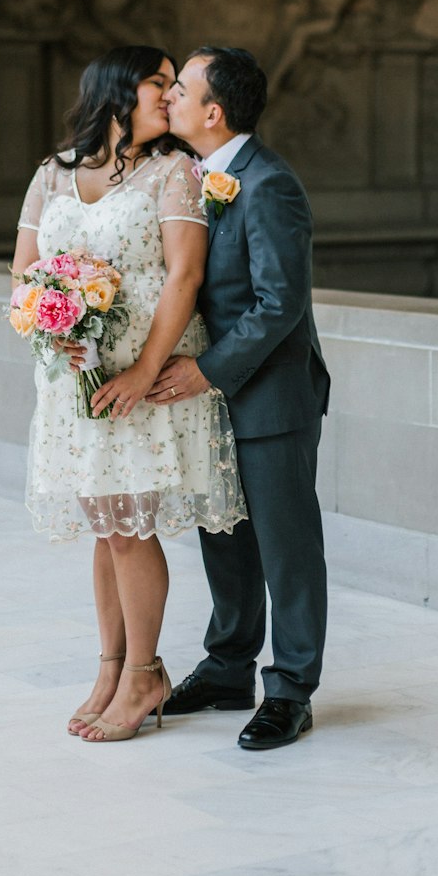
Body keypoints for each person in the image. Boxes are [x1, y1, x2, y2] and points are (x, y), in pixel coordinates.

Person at [12, 45, 247, 744]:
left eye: (177, 86)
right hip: (74, 381)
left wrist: (144, 371)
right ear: (117, 92)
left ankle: (146, 672)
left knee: (131, 526)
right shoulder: (51, 174)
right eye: (159, 83)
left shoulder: (174, 172)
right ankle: (112, 667)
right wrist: (53, 329)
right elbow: (25, 274)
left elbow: (184, 278)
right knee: (105, 523)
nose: (170, 96)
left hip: (144, 381)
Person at [147, 46, 330, 751]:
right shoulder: (191, 177)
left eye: (181, 90)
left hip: (269, 396)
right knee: (222, 538)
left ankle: (290, 691)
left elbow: (279, 302)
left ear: (214, 112)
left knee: (286, 549)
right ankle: (228, 668)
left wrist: (208, 370)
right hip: (210, 401)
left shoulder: (267, 183)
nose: (169, 100)